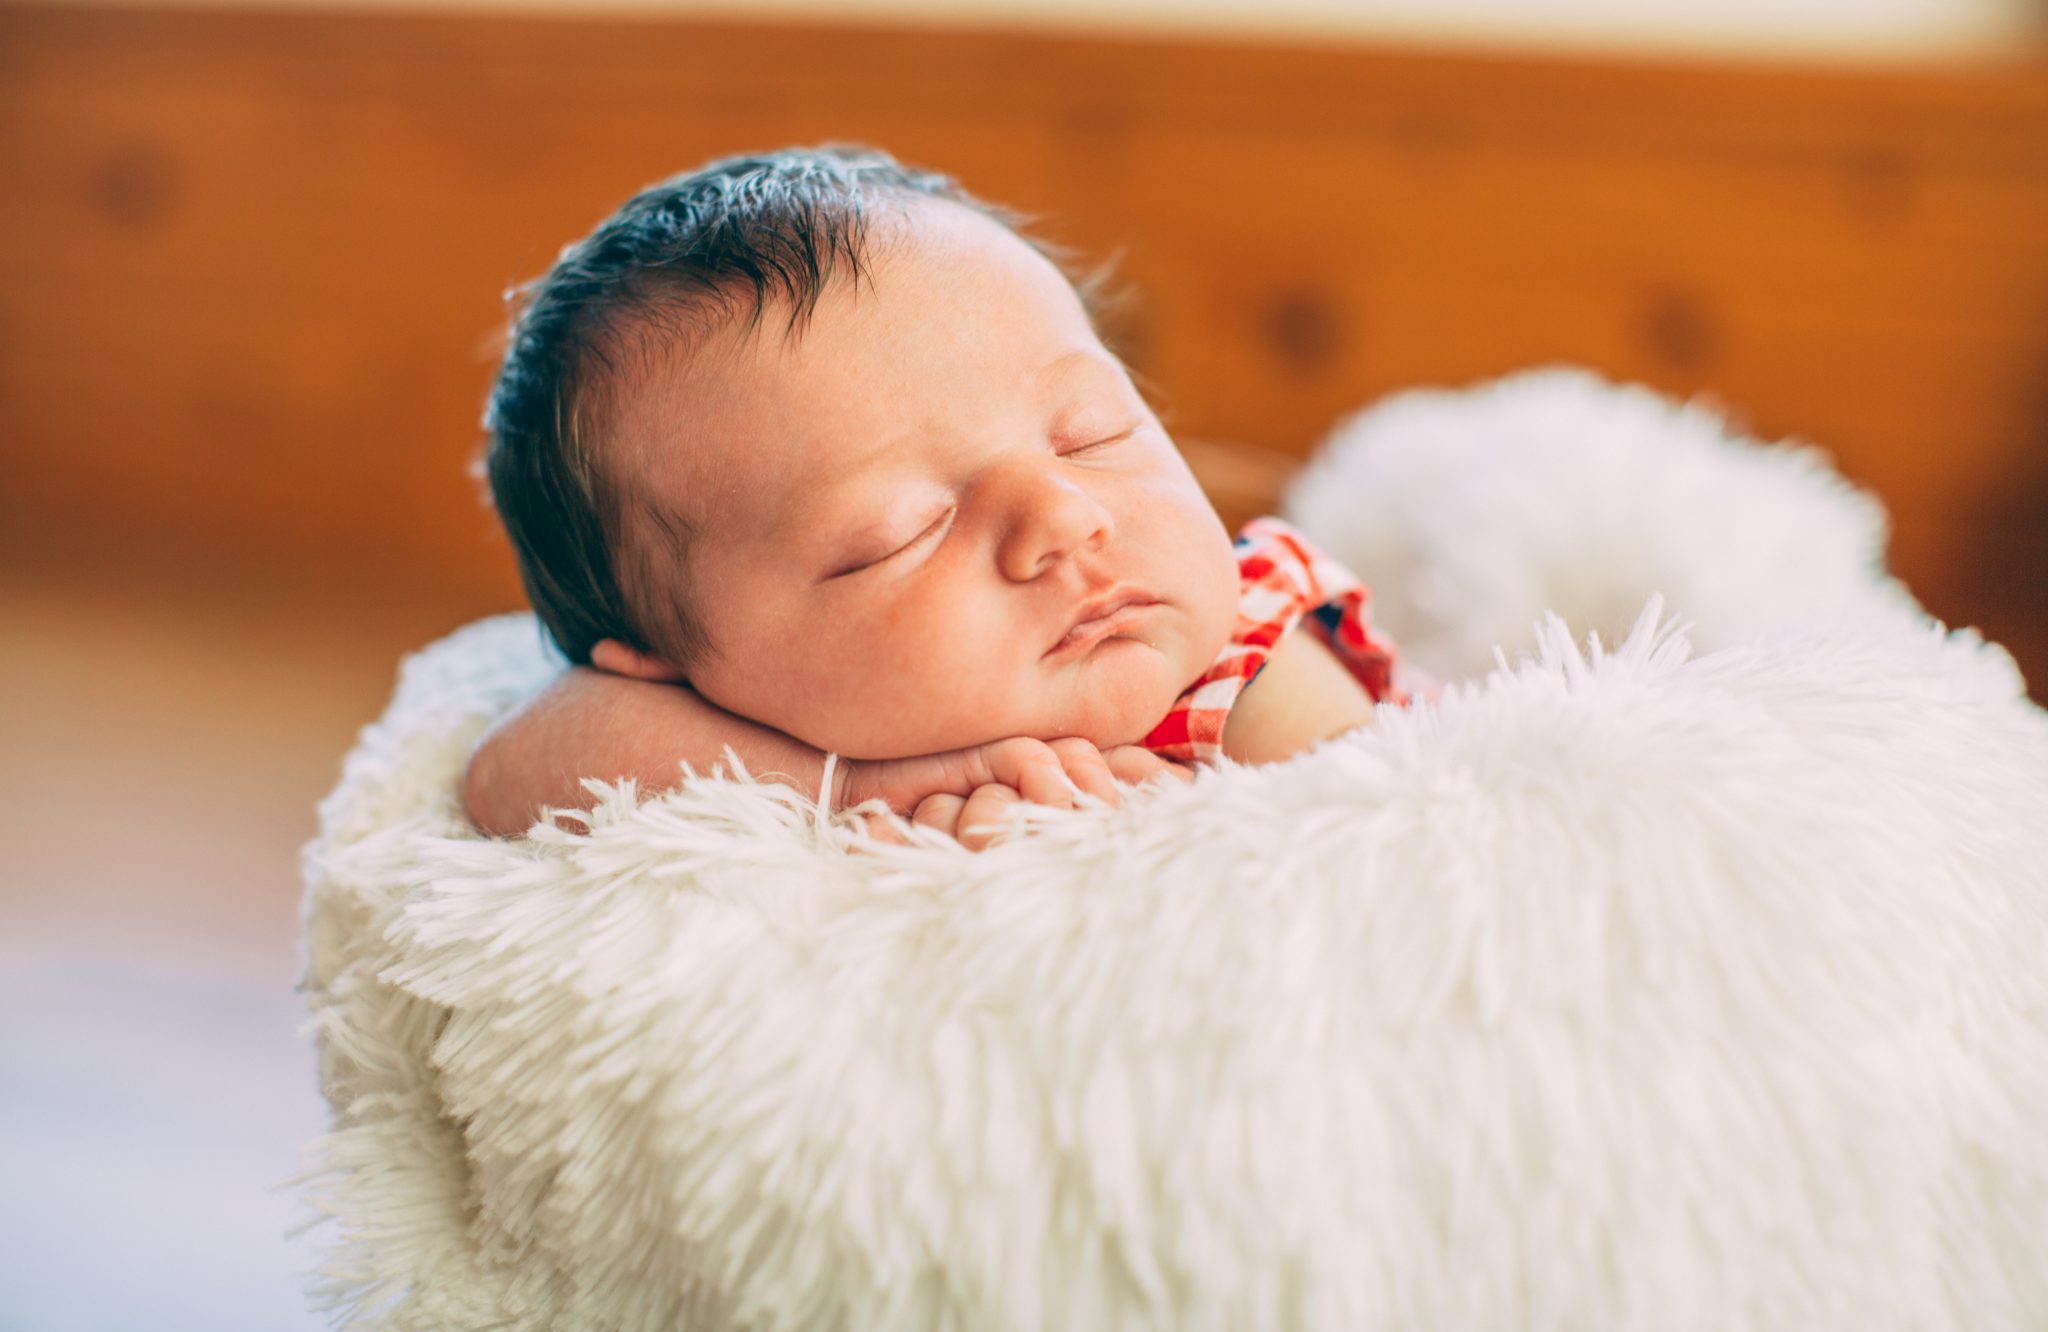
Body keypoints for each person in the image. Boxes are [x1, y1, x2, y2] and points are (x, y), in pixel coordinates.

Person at [466, 146, 1411, 847]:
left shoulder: (1248, 665)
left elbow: (1376, 871)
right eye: (900, 533)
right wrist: (855, 784)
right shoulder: (777, 732)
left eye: (1092, 433)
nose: (1064, 516)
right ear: (676, 664)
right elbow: (510, 774)